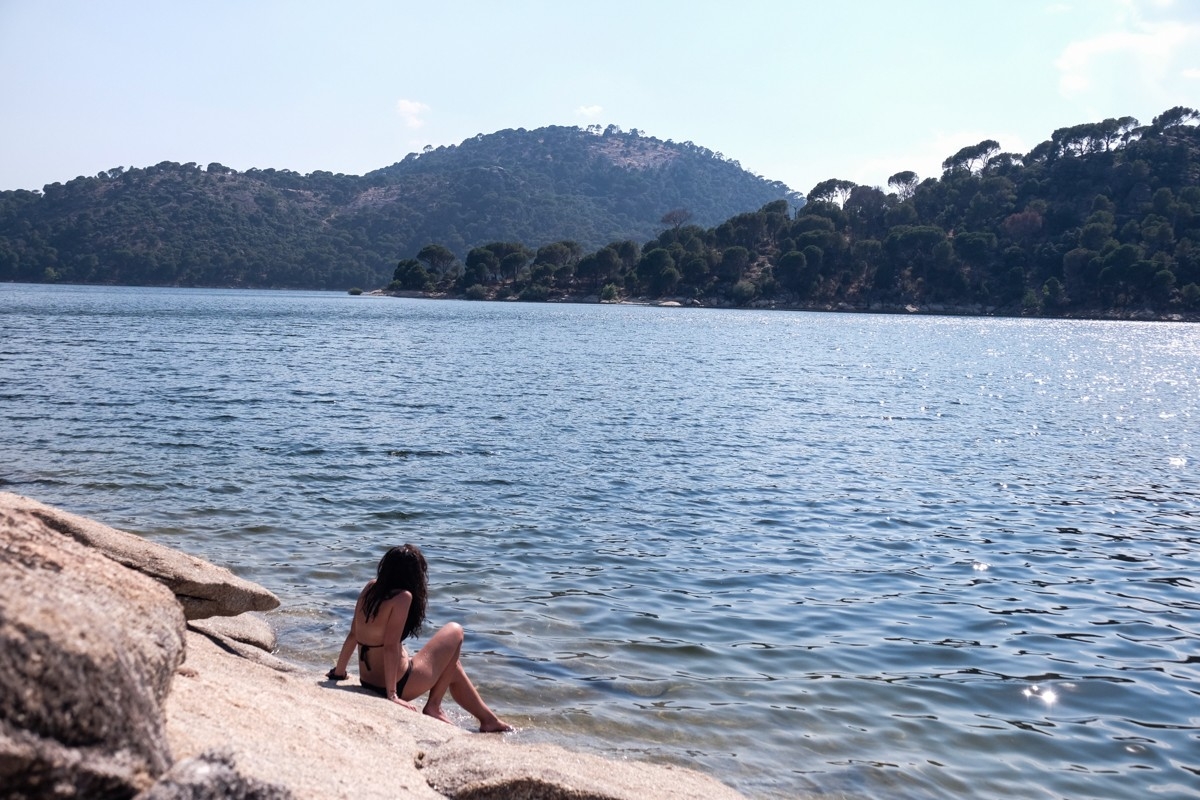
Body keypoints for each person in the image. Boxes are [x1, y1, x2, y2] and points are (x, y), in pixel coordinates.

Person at [325, 543, 511, 733]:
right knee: (455, 630)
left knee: (452, 666)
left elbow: (354, 634)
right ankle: (434, 707)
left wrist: (339, 672)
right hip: (397, 684)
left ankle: (488, 721)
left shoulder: (370, 588)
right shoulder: (403, 597)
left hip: (368, 680)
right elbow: (390, 646)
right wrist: (392, 695)